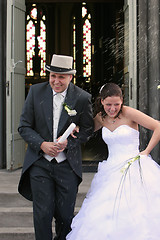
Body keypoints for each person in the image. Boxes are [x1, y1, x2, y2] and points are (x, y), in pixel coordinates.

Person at [66, 82, 160, 240]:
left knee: (135, 211)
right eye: (108, 104)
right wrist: (76, 128)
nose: (112, 109)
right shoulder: (101, 118)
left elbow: (157, 126)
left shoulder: (129, 113)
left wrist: (146, 152)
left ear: (122, 101)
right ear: (101, 101)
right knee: (106, 212)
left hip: (134, 167)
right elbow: (86, 130)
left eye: (116, 104)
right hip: (110, 171)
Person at [18, 54, 94, 240]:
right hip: (39, 164)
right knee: (42, 215)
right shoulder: (35, 92)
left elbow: (87, 130)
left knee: (65, 217)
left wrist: (70, 142)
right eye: (53, 75)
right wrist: (41, 144)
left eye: (61, 77)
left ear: (70, 77)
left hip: (67, 167)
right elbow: (24, 126)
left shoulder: (82, 98)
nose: (56, 81)